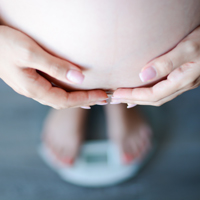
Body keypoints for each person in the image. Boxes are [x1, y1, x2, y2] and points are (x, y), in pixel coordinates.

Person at [0, 0, 200, 165]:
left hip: (167, 62)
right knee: (59, 89)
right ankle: (73, 102)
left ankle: (115, 103)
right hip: (43, 60)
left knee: (74, 84)